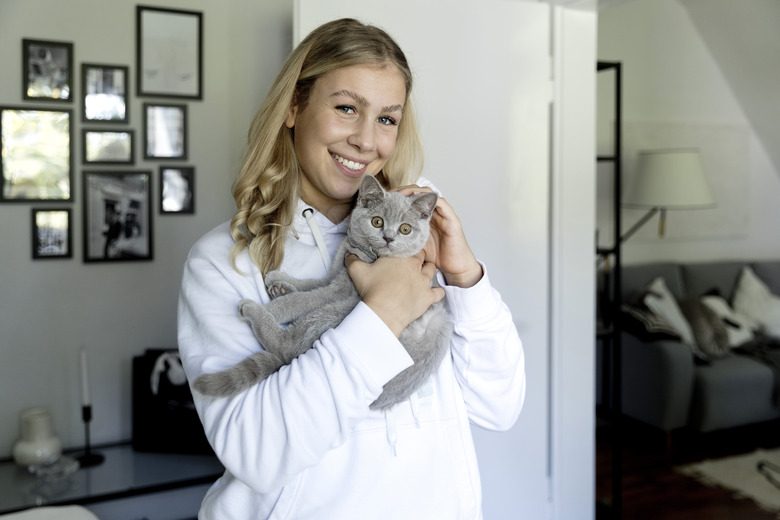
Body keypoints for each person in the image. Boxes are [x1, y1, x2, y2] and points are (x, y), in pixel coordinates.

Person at [178, 18, 526, 519]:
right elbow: (255, 452)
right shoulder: (223, 261)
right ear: (294, 107)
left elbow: (499, 407)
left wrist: (466, 277)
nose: (366, 141)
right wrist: (382, 312)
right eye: (346, 108)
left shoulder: (415, 237)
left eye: (387, 119)